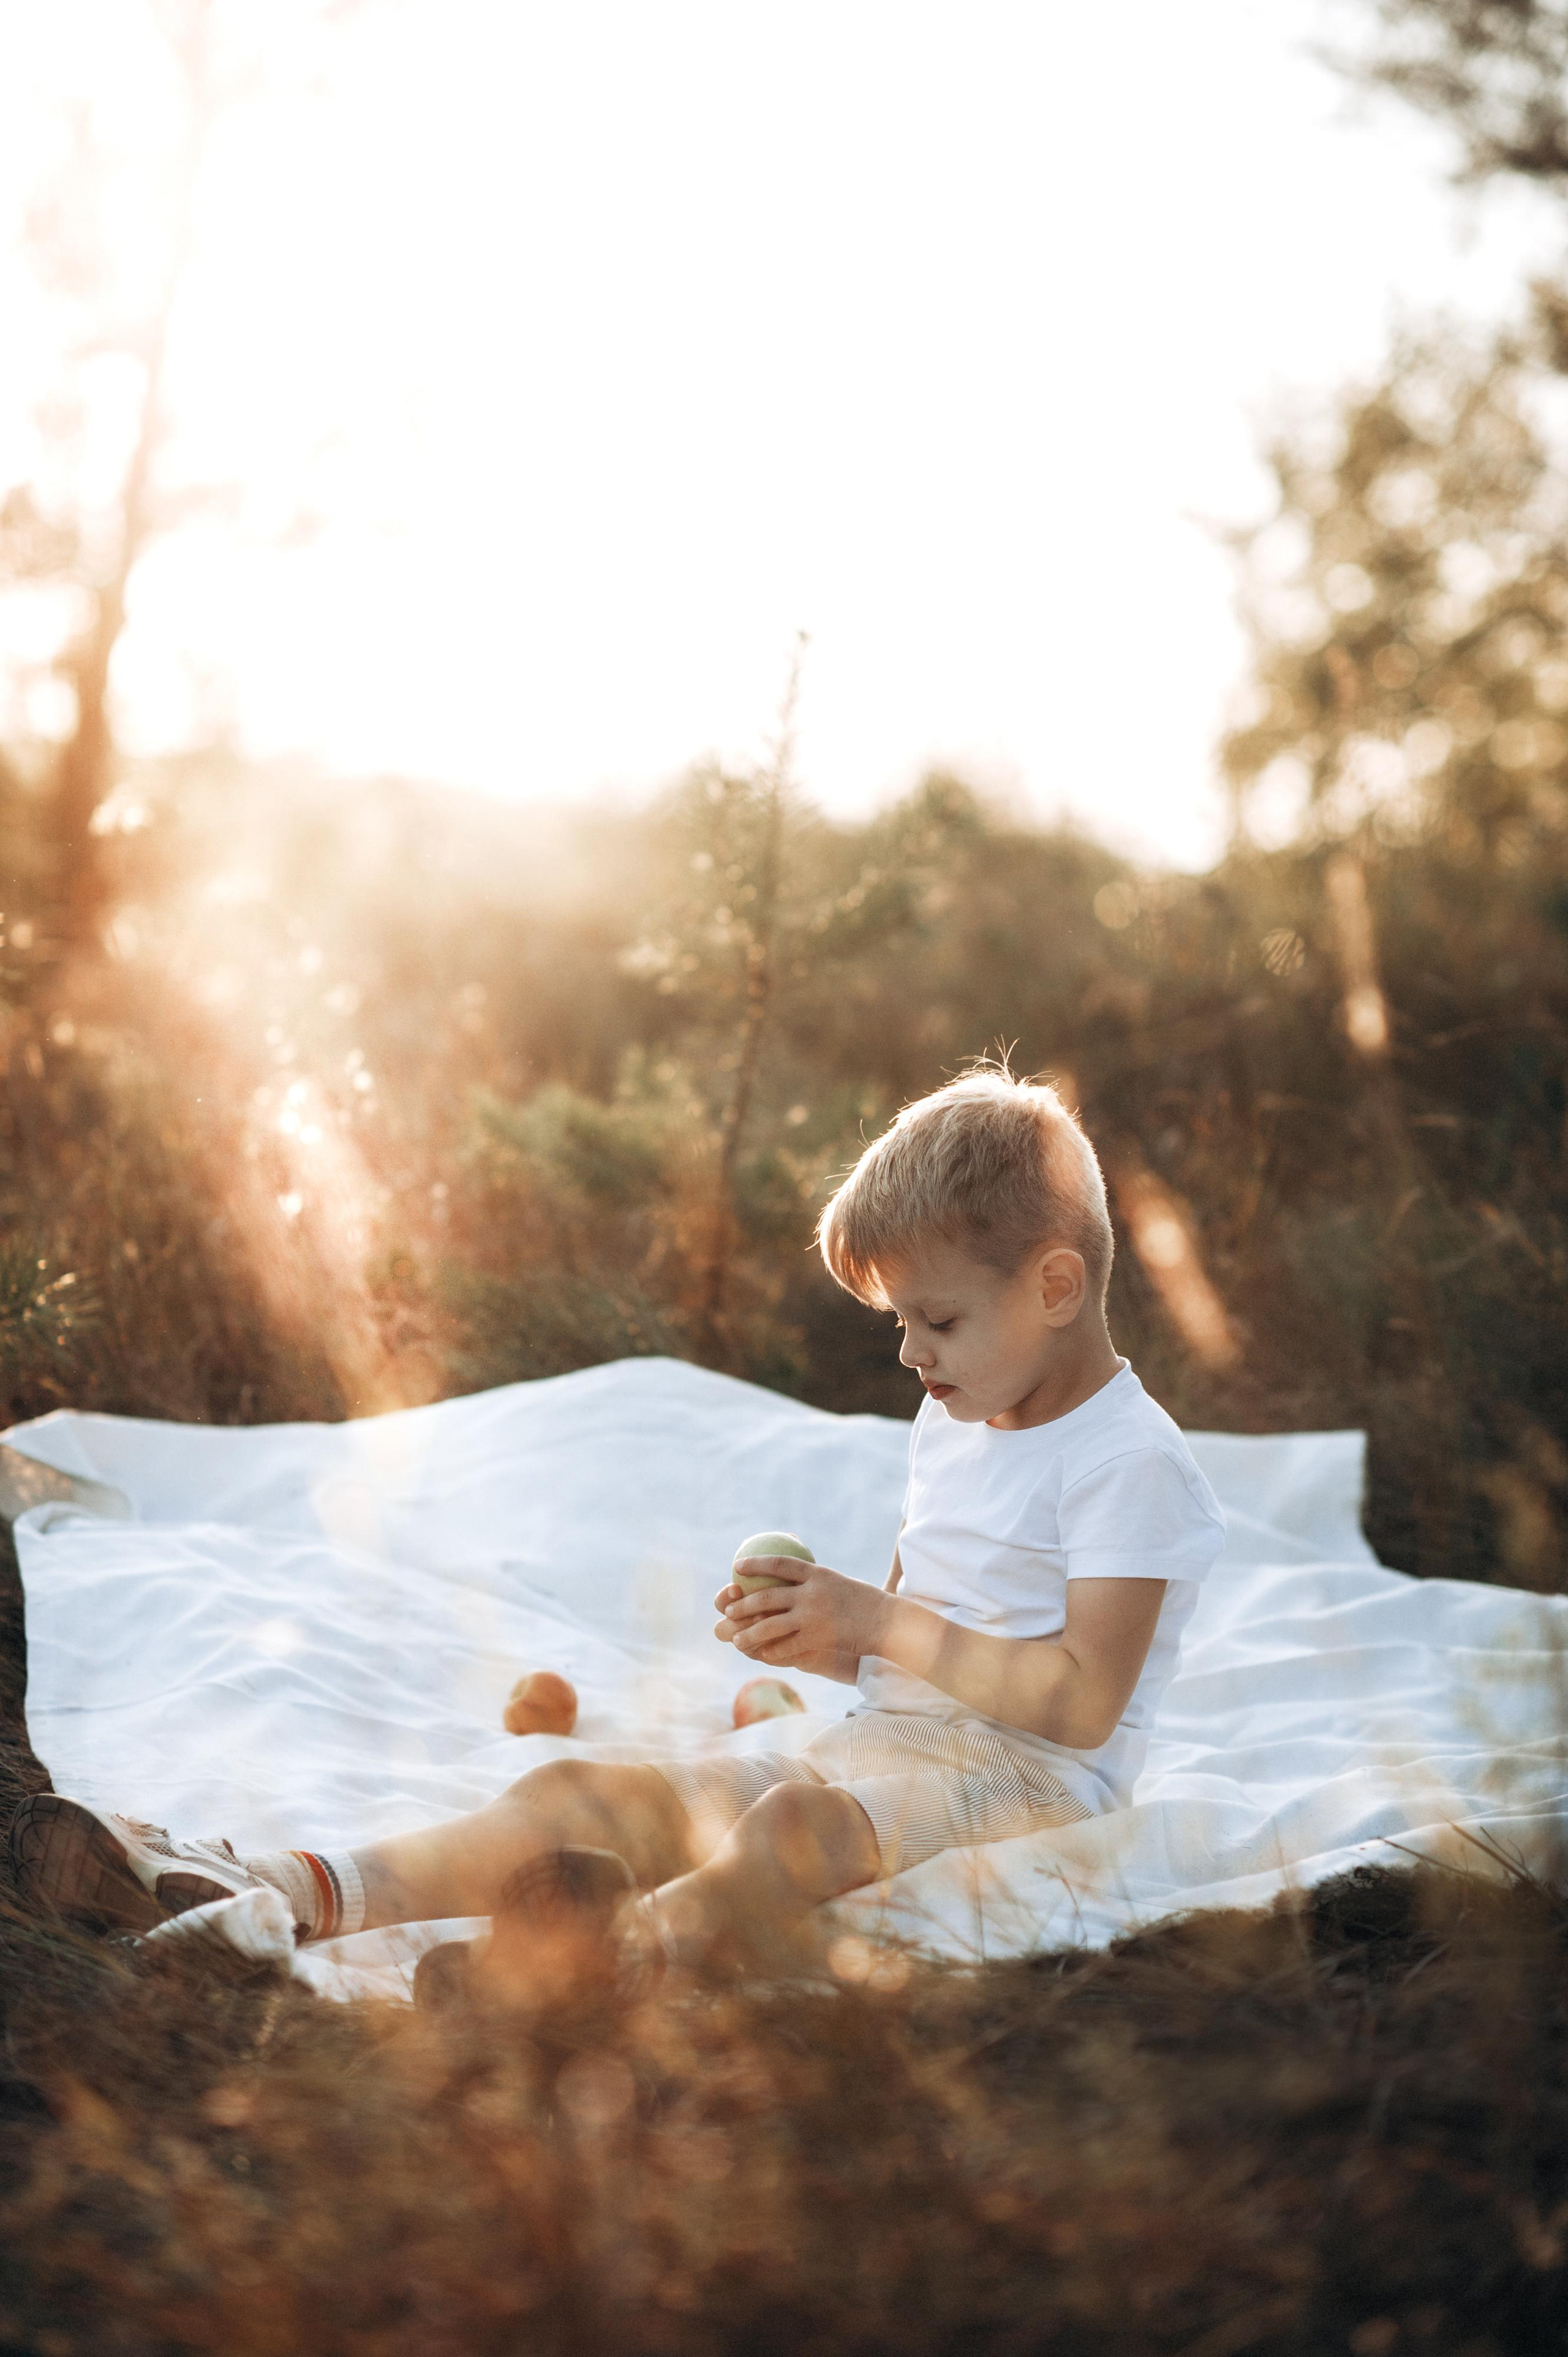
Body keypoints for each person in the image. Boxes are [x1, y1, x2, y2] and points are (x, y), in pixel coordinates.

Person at [12, 1064, 1224, 1986]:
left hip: (1035, 1785)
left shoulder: (1128, 1462)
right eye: (898, 1322)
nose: (911, 1352)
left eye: (937, 1320)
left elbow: (1076, 1704)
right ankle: (290, 1886)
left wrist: (883, 1624)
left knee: (787, 1827)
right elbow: (908, 1646)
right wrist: (826, 1636)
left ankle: (589, 1976)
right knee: (593, 1789)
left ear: (1055, 1287)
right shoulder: (952, 1415)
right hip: (884, 1753)